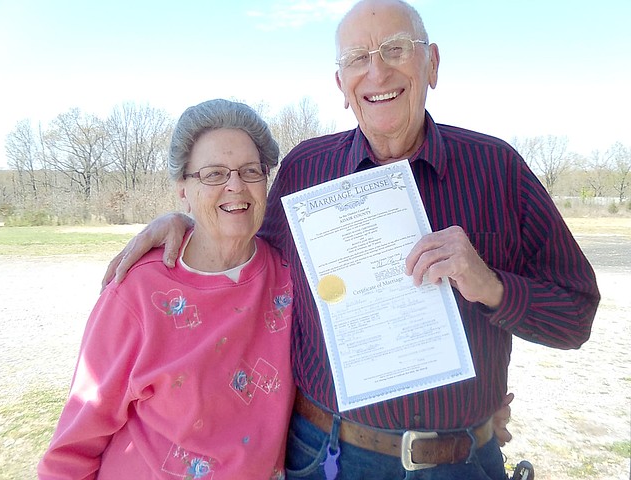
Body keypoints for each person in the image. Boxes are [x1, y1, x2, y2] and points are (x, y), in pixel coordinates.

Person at [103, 1, 600, 478]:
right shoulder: (305, 171)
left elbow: (575, 316)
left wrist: (491, 286)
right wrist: (188, 222)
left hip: (463, 460)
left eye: (397, 49)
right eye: (358, 59)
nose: (377, 72)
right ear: (342, 84)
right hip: (328, 455)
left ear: (432, 63)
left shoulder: (497, 169)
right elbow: (250, 259)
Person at [39, 99, 295, 479]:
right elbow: (71, 449)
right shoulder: (138, 293)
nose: (235, 186)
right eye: (213, 174)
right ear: (182, 187)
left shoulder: (289, 274)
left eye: (250, 171)